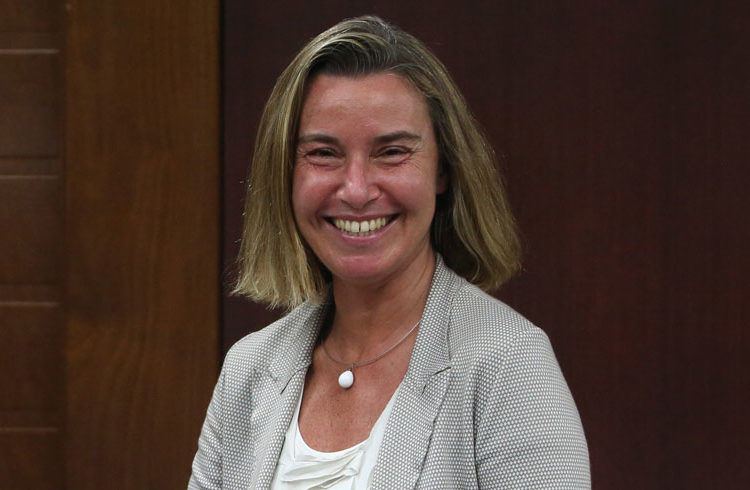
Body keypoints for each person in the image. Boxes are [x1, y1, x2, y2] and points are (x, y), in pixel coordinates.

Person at [189, 15, 590, 489]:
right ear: (286, 175)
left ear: (443, 170)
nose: (356, 190)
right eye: (323, 153)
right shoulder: (248, 370)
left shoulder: (509, 365)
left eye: (392, 152)